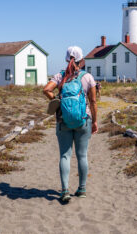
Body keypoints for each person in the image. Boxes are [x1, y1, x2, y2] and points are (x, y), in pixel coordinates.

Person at [43, 46, 98, 203]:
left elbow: (46, 89)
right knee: (82, 155)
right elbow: (93, 101)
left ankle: (65, 190)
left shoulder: (60, 76)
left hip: (63, 120)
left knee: (65, 156)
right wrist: (94, 121)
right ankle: (81, 189)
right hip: (83, 119)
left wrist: (57, 100)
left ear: (67, 59)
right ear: (81, 60)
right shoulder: (87, 77)